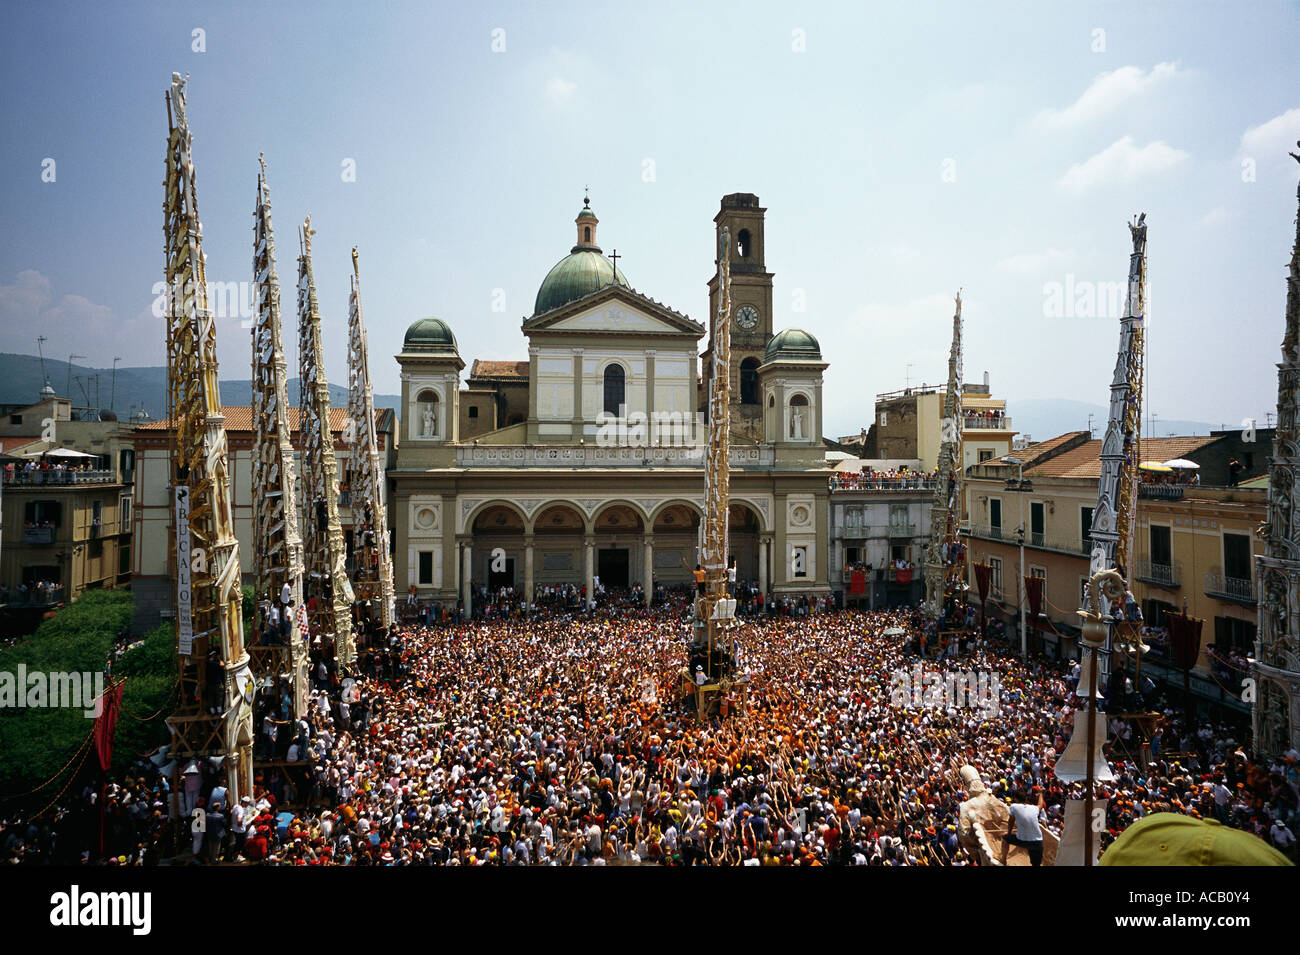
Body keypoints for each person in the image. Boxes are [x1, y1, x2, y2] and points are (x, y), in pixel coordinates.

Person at [1000, 789, 1044, 866]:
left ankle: (1003, 860)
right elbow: (1040, 804)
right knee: (1036, 864)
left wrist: (1009, 833)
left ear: (1016, 799)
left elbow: (1011, 821)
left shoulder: (1014, 806)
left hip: (1023, 841)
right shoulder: (1034, 808)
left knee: (1005, 837)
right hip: (1038, 842)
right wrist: (1041, 793)